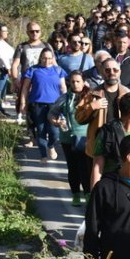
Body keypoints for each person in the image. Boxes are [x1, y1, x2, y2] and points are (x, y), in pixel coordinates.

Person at [50, 70, 91, 206]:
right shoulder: (64, 98)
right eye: (72, 81)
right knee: (72, 167)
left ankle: (88, 193)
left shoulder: (90, 96)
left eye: (78, 81)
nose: (75, 84)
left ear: (84, 82)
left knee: (85, 167)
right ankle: (75, 194)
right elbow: (52, 114)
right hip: (67, 138)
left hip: (86, 137)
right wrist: (56, 122)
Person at [20, 48, 66, 162]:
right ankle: (43, 155)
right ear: (40, 57)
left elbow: (63, 88)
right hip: (37, 105)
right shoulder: (33, 70)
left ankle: (50, 146)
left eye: (50, 58)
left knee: (54, 131)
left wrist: (66, 104)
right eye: (44, 58)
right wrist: (23, 103)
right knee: (41, 130)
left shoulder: (58, 70)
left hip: (55, 106)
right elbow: (25, 88)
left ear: (53, 59)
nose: (47, 60)